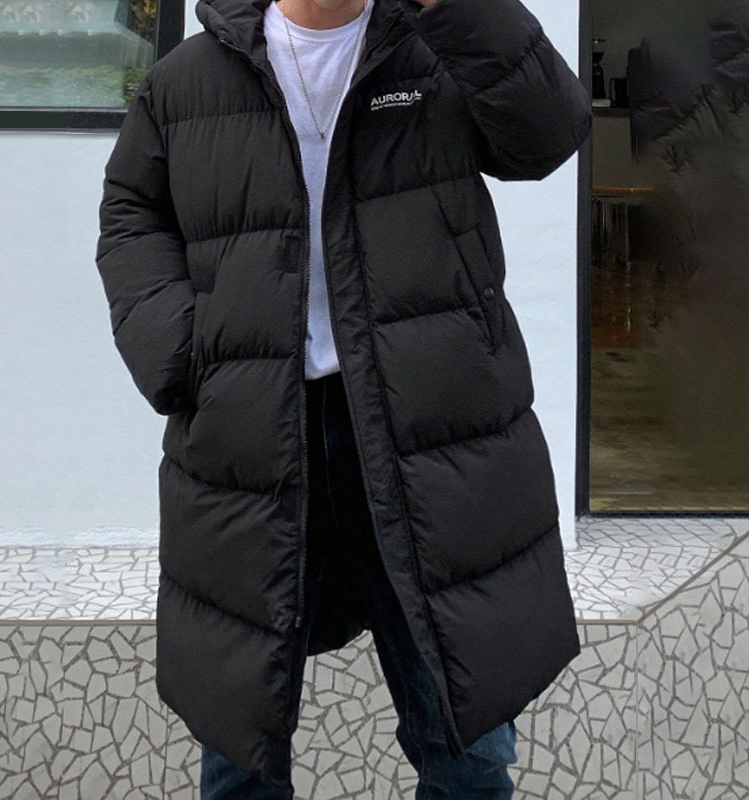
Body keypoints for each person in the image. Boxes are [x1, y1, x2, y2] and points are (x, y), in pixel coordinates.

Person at [95, 0, 591, 796]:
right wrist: (182, 353)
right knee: (240, 746)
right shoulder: (188, 79)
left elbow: (547, 134)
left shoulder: (435, 50)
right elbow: (131, 215)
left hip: (430, 433)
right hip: (253, 435)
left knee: (466, 749)